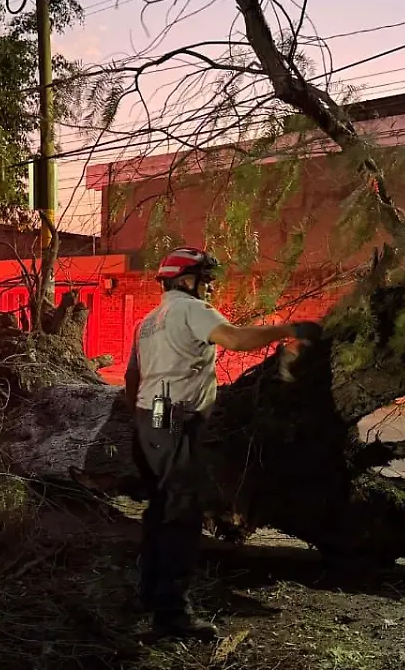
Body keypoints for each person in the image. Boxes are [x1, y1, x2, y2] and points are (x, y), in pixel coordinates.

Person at [123, 246, 321, 640]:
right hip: (174, 420)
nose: (208, 289)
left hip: (153, 417)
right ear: (184, 279)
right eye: (204, 280)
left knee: (160, 510)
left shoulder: (148, 321)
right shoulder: (190, 310)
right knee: (182, 518)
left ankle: (148, 594)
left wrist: (149, 423)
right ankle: (172, 617)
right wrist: (288, 330)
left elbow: (132, 377)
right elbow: (235, 338)